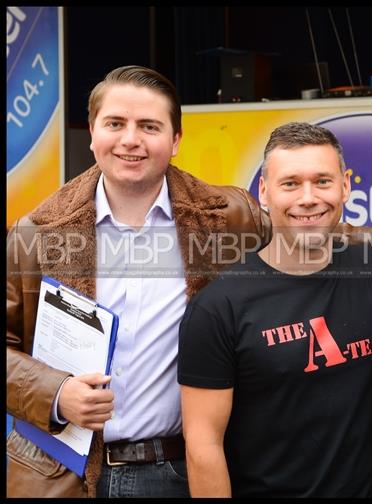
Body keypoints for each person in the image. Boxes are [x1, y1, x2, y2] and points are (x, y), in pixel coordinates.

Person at [6, 65, 273, 498]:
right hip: (61, 478)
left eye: (149, 126)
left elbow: (313, 234)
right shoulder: (34, 234)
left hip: (181, 472)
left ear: (175, 140)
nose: (131, 140)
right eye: (115, 124)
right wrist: (54, 392)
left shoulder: (229, 219)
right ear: (93, 131)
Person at [177, 122, 372, 497]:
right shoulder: (219, 308)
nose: (308, 198)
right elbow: (203, 447)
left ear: (346, 185)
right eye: (291, 183)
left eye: (323, 181)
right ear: (264, 191)